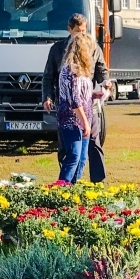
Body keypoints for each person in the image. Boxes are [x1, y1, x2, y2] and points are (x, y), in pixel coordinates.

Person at [43, 13, 109, 177]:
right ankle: (66, 184)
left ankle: (95, 180)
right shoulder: (59, 50)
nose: (82, 34)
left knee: (91, 146)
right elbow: (49, 76)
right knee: (71, 151)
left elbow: (102, 71)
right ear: (70, 29)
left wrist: (105, 84)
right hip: (71, 109)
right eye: (78, 31)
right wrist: (47, 96)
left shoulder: (93, 47)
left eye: (84, 30)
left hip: (89, 105)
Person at [55, 32, 96, 183]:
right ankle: (61, 188)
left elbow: (83, 94)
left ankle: (72, 187)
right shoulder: (71, 69)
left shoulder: (82, 71)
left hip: (83, 118)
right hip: (71, 119)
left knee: (82, 158)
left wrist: (96, 94)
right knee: (74, 155)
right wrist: (85, 122)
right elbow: (74, 99)